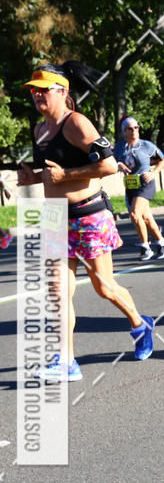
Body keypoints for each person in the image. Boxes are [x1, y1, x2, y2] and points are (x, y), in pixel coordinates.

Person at [17, 62, 155, 380]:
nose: (37, 95)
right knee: (57, 291)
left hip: (88, 216)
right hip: (54, 219)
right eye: (33, 90)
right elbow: (51, 172)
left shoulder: (77, 124)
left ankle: (140, 323)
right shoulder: (39, 130)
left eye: (43, 89)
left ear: (63, 91)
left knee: (104, 287)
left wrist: (66, 175)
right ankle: (65, 361)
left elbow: (108, 165)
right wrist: (32, 178)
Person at [113, 116, 164, 261]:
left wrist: (153, 173)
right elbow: (111, 162)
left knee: (134, 214)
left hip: (145, 184)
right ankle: (162, 244)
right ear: (124, 132)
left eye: (136, 128)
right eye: (130, 129)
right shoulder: (120, 147)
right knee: (145, 217)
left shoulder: (146, 145)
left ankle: (145, 247)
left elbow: (162, 160)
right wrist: (119, 165)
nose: (134, 131)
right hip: (131, 186)